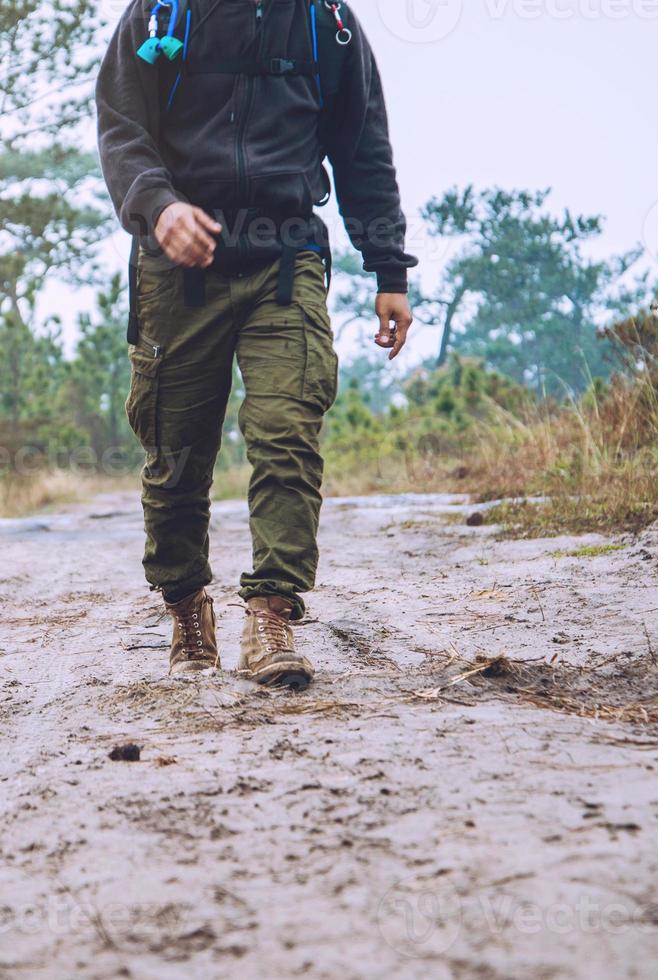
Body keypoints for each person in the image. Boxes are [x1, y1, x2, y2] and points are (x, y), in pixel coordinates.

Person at [97, 0, 416, 689]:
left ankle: (271, 613)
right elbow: (122, 130)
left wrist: (388, 265)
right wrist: (159, 206)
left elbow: (362, 144)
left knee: (286, 428)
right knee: (175, 450)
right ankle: (186, 607)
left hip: (285, 258)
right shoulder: (160, 14)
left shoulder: (323, 19)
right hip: (177, 264)